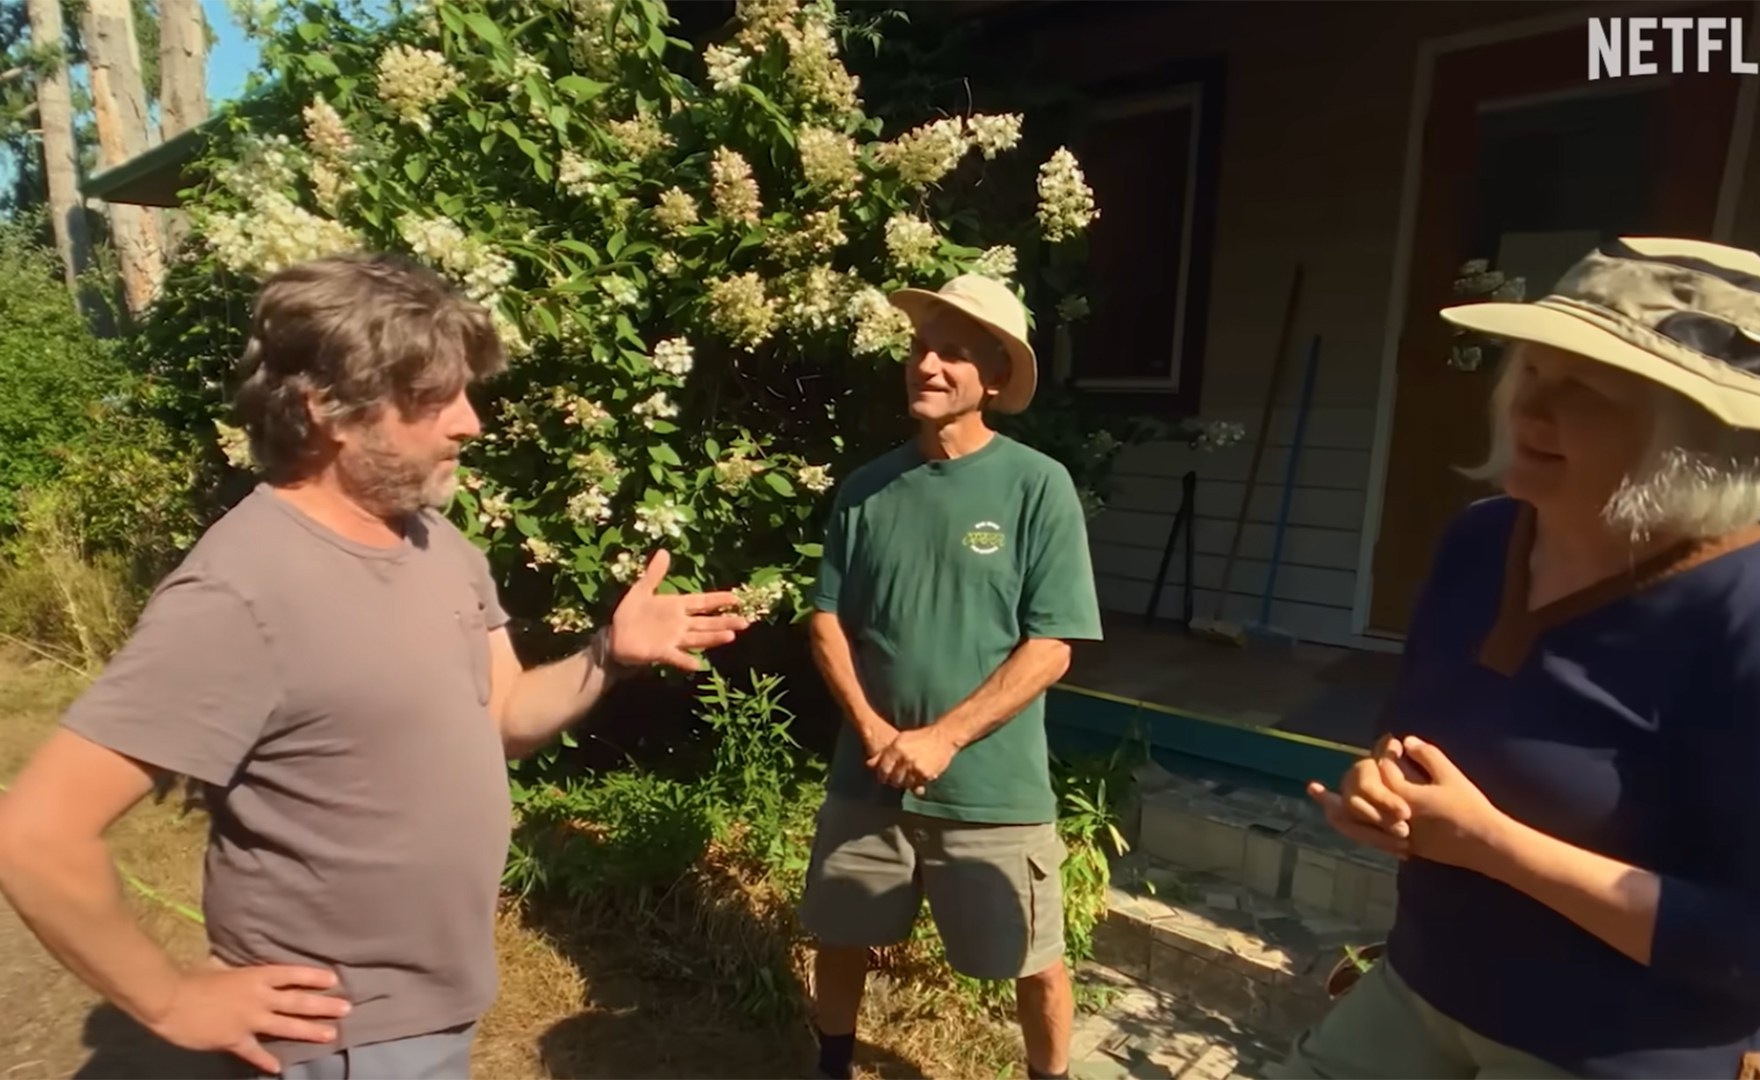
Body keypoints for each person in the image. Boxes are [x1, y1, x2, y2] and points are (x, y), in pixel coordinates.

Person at [0, 254, 750, 1080]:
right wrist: (170, 1000)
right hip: (339, 1041)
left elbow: (501, 718)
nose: (471, 423)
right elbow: (36, 835)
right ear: (328, 408)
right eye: (435, 398)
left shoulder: (440, 547)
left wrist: (609, 656)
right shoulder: (242, 590)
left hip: (436, 1007)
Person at [1280, 237, 1760, 1079]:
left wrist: (1496, 846)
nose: (1530, 411)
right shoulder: (1482, 540)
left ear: (1700, 439)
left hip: (1622, 1051)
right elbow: (1427, 745)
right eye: (1532, 371)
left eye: (1585, 391)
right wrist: (1387, 796)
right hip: (1428, 989)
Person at [799, 274, 1104, 1080]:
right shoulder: (867, 489)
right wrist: (873, 731)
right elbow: (827, 618)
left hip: (994, 791)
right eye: (920, 349)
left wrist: (942, 738)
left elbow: (1054, 645)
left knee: (1035, 960)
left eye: (954, 355)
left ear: (994, 380)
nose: (927, 365)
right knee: (839, 938)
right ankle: (834, 1065)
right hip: (868, 780)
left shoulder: (1037, 487)